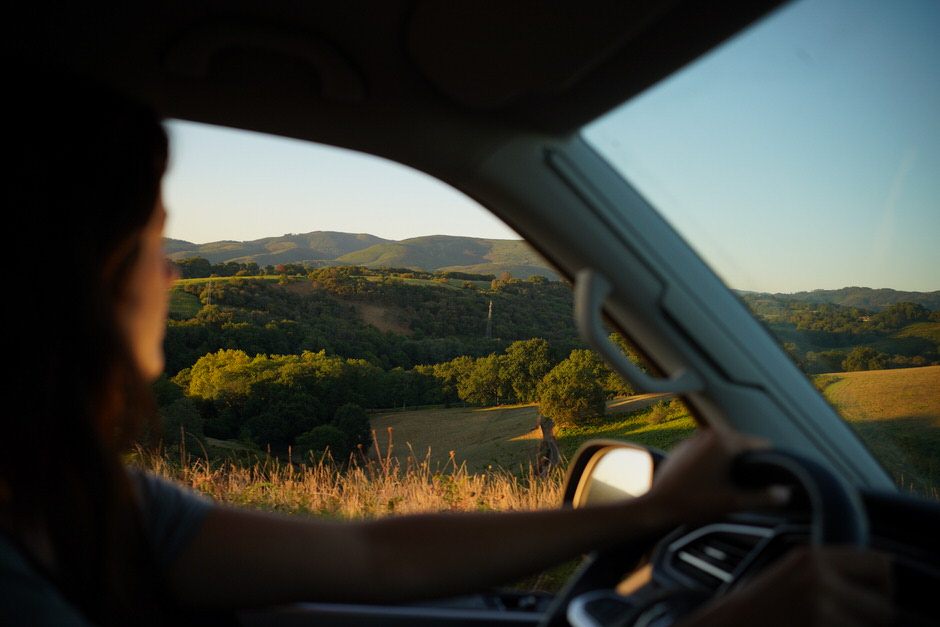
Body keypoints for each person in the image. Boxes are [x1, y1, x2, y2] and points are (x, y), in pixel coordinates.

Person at [0, 68, 893, 626]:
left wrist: (637, 514)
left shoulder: (76, 493)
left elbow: (373, 557)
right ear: (82, 278)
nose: (175, 274)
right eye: (156, 242)